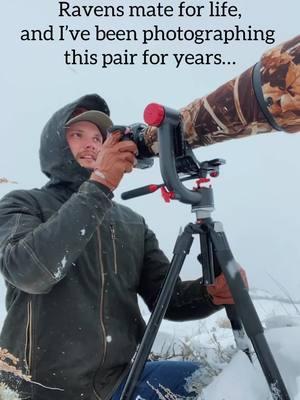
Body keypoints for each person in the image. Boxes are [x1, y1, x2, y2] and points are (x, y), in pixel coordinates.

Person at [0, 94, 244, 400]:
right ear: (54, 145)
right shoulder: (23, 204)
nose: (90, 144)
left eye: (97, 138)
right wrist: (100, 184)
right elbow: (29, 272)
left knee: (219, 382)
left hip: (122, 381)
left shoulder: (132, 223)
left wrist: (211, 294)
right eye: (77, 135)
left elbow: (166, 301)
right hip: (41, 388)